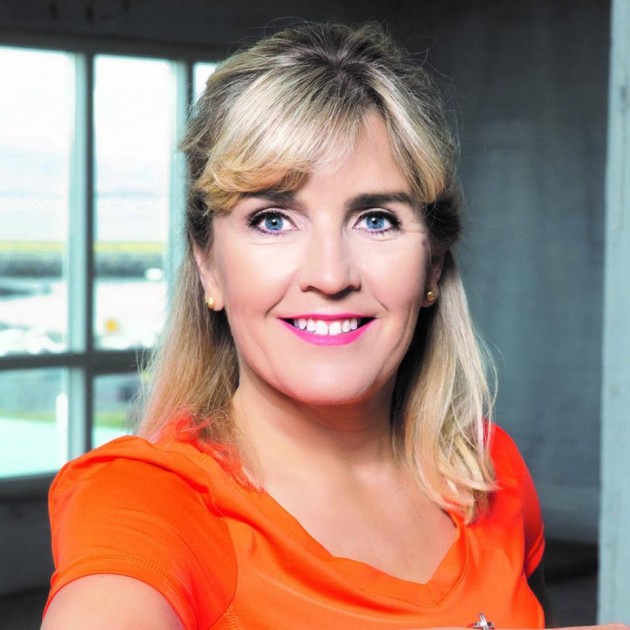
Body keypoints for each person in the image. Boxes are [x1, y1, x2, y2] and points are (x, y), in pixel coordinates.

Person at [41, 22, 625, 630]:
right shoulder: (148, 499)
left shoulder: (489, 468)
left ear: (433, 263)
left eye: (376, 220)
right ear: (208, 265)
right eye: (273, 220)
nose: (330, 275)